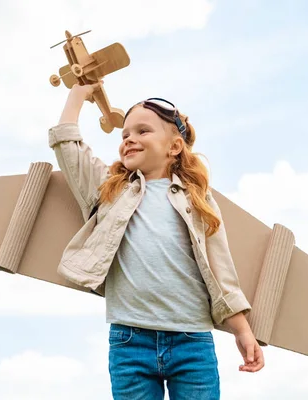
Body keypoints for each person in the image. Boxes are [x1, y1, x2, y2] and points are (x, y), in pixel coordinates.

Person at [48, 81, 264, 399]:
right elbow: (69, 149)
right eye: (125, 135)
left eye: (142, 131)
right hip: (129, 341)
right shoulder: (110, 190)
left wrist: (242, 330)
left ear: (174, 146)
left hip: (192, 341)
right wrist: (77, 96)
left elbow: (222, 272)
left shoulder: (197, 199)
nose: (129, 139)